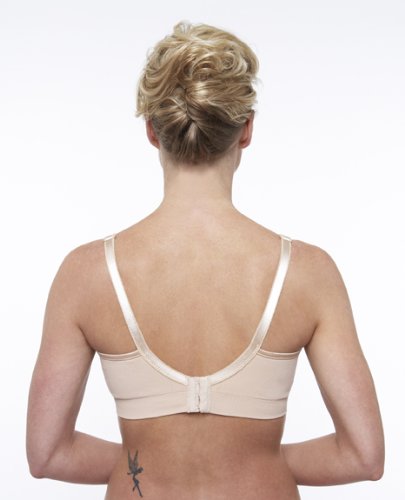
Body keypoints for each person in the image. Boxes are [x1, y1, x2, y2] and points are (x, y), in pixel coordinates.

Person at [26, 21, 384, 499]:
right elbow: (363, 456)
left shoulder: (86, 274)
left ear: (152, 131)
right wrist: (261, 461)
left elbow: (47, 453)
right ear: (246, 129)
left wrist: (150, 463)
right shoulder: (307, 273)